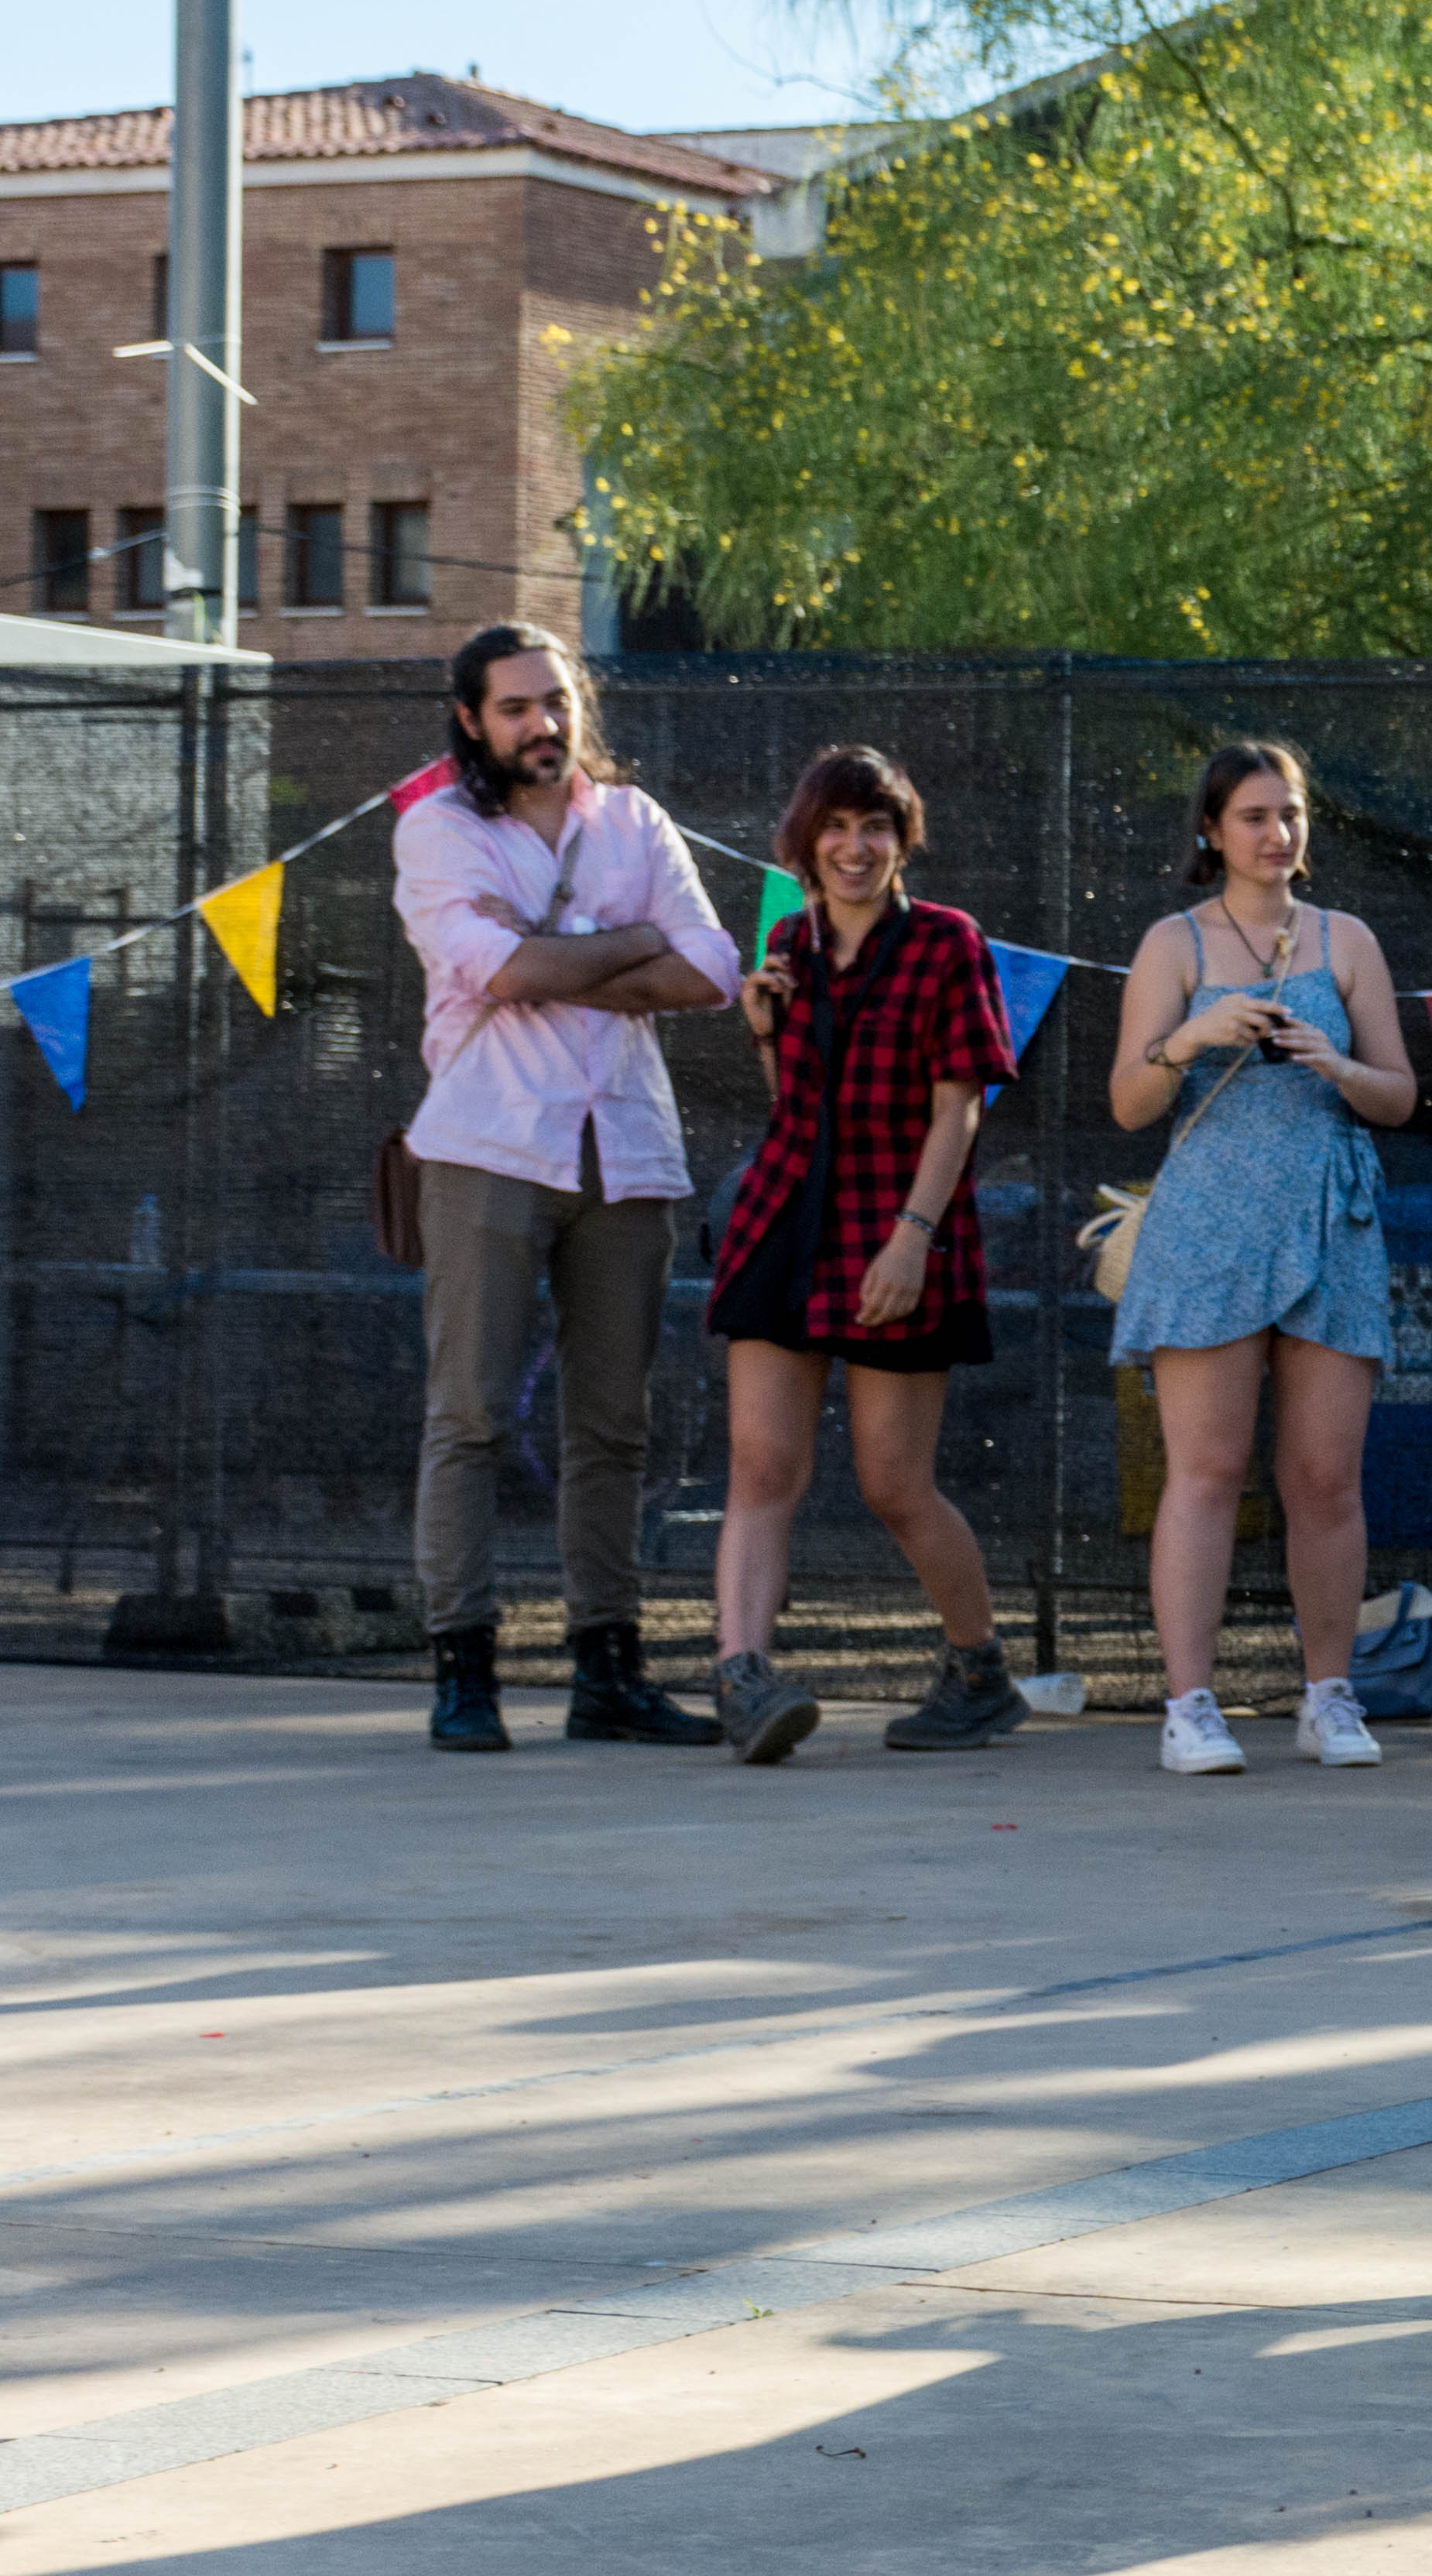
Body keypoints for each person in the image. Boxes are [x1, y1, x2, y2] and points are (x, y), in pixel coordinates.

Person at [389, 622, 737, 1752]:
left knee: (615, 1426)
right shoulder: (437, 833)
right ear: (471, 721)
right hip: (489, 1145)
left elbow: (714, 970)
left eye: (555, 702)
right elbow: (499, 967)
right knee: (472, 1416)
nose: (542, 725)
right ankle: (464, 1671)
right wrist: (629, 945)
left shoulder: (636, 822)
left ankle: (609, 1674)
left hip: (626, 1152)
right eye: (515, 709)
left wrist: (571, 953)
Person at [698, 748, 1027, 1764]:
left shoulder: (945, 945)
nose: (854, 846)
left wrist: (913, 1241)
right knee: (761, 1466)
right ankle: (742, 1680)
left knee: (893, 1480)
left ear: (901, 839)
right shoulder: (786, 944)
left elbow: (962, 1102)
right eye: (836, 827)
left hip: (897, 1225)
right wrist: (763, 1032)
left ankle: (978, 1670)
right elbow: (796, 1103)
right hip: (784, 1216)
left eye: (874, 826)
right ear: (804, 842)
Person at [1105, 742, 1422, 1776]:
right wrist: (1191, 1037)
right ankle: (1190, 1705)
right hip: (1208, 1224)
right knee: (1205, 1472)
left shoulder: (1349, 941)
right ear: (1211, 831)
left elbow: (1400, 1096)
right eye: (1252, 815)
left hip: (1331, 1219)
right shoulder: (1173, 944)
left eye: (1288, 813)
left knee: (1327, 1479)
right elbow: (1128, 1103)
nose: (1275, 833)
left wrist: (1333, 1060)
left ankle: (1329, 1694)